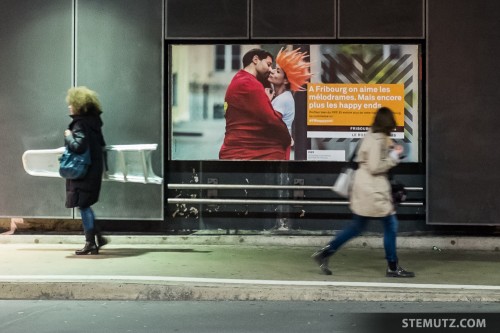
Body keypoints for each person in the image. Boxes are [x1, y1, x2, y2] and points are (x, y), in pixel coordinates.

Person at [312, 107, 415, 278]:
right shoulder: (377, 140)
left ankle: (325, 253)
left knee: (356, 226)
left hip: (365, 187)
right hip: (373, 189)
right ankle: (392, 266)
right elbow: (375, 167)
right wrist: (393, 158)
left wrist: (393, 150)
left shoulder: (373, 135)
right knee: (391, 225)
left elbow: (380, 151)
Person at [219, 48, 291, 160]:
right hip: (246, 153)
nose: (270, 69)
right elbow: (270, 119)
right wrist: (287, 138)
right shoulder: (250, 83)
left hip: (236, 150)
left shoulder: (238, 79)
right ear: (256, 59)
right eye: (268, 64)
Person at [64, 86, 108, 255]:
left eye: (71, 104)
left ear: (79, 106)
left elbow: (78, 146)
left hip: (82, 172)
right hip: (93, 170)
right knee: (85, 204)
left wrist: (68, 135)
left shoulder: (80, 124)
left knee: (83, 205)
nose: (69, 106)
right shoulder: (94, 123)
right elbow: (101, 145)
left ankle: (91, 242)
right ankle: (97, 237)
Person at [268, 47, 311, 160]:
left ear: (286, 80)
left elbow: (269, 123)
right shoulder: (281, 97)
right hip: (277, 148)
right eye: (274, 68)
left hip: (276, 150)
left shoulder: (283, 99)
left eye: (277, 71)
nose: (272, 71)